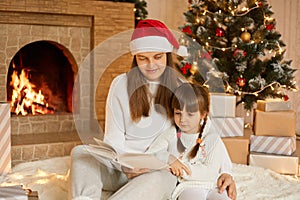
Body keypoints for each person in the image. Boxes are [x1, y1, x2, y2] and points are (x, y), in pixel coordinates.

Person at [69, 19, 236, 200]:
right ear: (135, 58)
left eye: (157, 57)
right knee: (81, 153)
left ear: (167, 55)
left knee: (163, 176)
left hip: (158, 170)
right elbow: (112, 139)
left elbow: (206, 129)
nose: (151, 65)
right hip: (122, 169)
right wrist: (125, 166)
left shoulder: (180, 86)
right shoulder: (120, 85)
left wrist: (226, 172)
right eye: (143, 58)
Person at [148, 82, 232, 200]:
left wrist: (180, 168)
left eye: (190, 114)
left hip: (213, 185)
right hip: (187, 186)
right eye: (178, 113)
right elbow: (152, 153)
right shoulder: (171, 134)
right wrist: (169, 159)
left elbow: (210, 172)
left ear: (203, 114)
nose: (183, 119)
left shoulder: (212, 137)